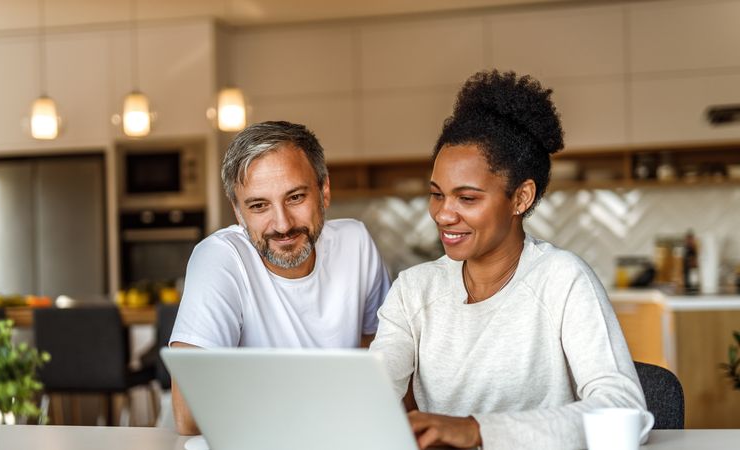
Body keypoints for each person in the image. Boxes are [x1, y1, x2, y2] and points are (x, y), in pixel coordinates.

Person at [369, 71, 647, 450]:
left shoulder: (562, 280)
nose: (443, 215)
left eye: (467, 198)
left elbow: (623, 409)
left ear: (521, 198)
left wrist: (477, 430)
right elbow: (372, 397)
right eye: (437, 194)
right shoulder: (414, 291)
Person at [169, 121, 391, 435]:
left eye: (295, 197)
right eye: (259, 205)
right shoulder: (219, 258)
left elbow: (385, 361)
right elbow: (189, 416)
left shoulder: (356, 242)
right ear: (237, 211)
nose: (283, 224)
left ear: (323, 191)